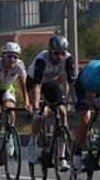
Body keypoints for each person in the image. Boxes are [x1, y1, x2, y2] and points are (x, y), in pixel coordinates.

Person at [25, 34, 77, 172]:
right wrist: (36, 107)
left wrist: (77, 103)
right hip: (34, 83)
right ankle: (32, 145)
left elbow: (72, 84)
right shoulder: (42, 60)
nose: (59, 57)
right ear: (50, 51)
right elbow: (36, 86)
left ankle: (62, 155)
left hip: (52, 83)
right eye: (56, 53)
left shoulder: (68, 59)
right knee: (43, 113)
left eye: (62, 53)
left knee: (62, 111)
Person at [0, 42, 32, 178]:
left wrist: (27, 103)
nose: (12, 60)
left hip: (6, 89)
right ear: (3, 55)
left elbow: (24, 87)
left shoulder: (20, 66)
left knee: (10, 110)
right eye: (9, 56)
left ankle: (9, 136)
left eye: (15, 57)